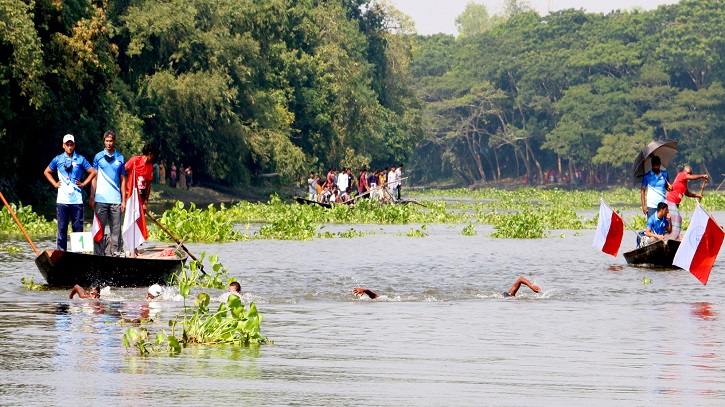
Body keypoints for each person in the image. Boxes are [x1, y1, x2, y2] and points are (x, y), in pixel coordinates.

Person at [44, 134, 96, 251]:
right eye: (67, 145)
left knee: (78, 228)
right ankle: (61, 253)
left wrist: (83, 184)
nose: (69, 147)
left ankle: (79, 253)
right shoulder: (58, 159)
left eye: (71, 144)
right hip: (62, 201)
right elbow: (47, 172)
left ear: (74, 145)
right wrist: (55, 184)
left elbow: (93, 172)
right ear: (63, 146)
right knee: (62, 229)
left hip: (77, 200)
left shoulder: (80, 159)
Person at [90, 131, 126, 256]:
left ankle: (115, 253)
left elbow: (122, 180)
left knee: (116, 230)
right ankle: (98, 254)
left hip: (116, 200)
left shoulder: (120, 158)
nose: (109, 143)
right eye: (107, 141)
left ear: (114, 141)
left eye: (111, 141)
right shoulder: (98, 157)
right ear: (104, 141)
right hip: (100, 199)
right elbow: (94, 178)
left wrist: (124, 200)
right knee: (99, 229)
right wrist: (92, 196)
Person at [666, 165, 708, 240]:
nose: (689, 175)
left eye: (690, 174)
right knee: (677, 218)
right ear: (684, 172)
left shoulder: (684, 183)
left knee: (675, 220)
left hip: (675, 203)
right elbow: (691, 178)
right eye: (688, 173)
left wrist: (696, 195)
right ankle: (675, 237)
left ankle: (674, 236)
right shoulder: (681, 175)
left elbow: (687, 193)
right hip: (671, 200)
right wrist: (702, 176)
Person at [125, 143, 157, 212]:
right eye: (153, 155)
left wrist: (145, 202)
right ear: (150, 153)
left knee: (140, 218)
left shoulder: (150, 166)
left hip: (141, 194)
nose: (153, 157)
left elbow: (148, 185)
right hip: (130, 193)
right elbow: (122, 172)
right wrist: (125, 190)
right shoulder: (135, 160)